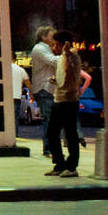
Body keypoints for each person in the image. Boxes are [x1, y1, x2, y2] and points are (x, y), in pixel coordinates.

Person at [45, 30, 83, 177]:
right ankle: (59, 164)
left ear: (63, 44)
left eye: (55, 44)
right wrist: (56, 80)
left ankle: (72, 166)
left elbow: (71, 67)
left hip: (69, 101)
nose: (53, 48)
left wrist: (67, 51)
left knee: (70, 134)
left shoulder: (72, 55)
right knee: (52, 133)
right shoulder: (62, 57)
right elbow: (66, 75)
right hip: (59, 99)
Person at [30, 26, 59, 157]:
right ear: (44, 37)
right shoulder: (40, 49)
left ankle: (50, 147)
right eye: (52, 37)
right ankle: (49, 148)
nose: (54, 39)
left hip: (46, 88)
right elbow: (53, 61)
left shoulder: (45, 49)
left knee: (50, 119)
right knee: (49, 119)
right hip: (44, 88)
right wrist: (67, 54)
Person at [11, 57, 31, 126]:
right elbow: (28, 83)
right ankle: (15, 135)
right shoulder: (20, 70)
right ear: (15, 59)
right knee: (14, 118)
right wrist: (31, 95)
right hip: (16, 96)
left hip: (6, 97)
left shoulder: (3, 68)